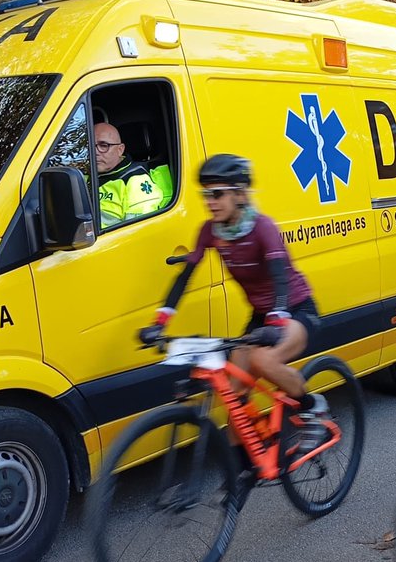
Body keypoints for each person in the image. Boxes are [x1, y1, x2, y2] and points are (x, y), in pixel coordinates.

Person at [140, 153, 328, 462]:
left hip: (294, 308)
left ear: (239, 194)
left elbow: (280, 279)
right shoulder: (210, 231)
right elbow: (185, 277)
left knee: (264, 361)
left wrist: (278, 321)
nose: (210, 202)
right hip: (260, 318)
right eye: (205, 195)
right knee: (235, 396)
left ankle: (313, 409)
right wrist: (160, 322)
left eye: (217, 194)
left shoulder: (262, 228)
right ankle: (240, 472)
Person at [94, 122, 164, 226]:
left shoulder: (135, 181)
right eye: (90, 145)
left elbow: (138, 231)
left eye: (104, 146)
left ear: (120, 150)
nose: (95, 151)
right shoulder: (81, 174)